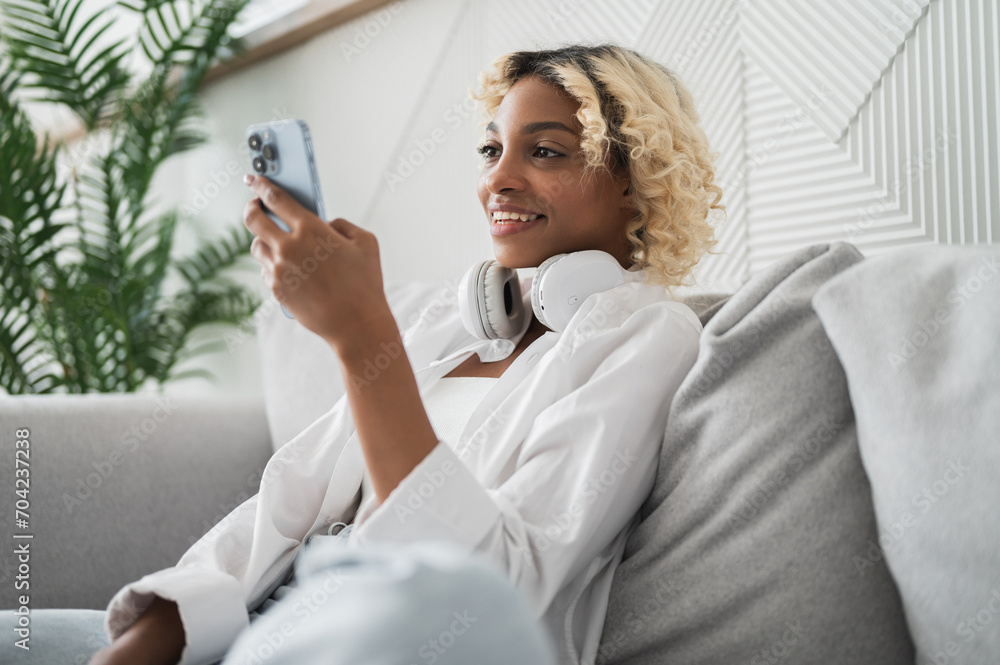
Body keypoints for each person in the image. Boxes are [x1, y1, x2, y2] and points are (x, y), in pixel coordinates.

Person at [0, 43, 722, 665]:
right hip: (262, 626)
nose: (498, 178)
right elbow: (285, 501)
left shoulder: (646, 336)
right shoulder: (451, 325)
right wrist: (148, 639)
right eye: (491, 149)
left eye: (545, 150)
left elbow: (490, 589)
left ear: (635, 180)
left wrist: (361, 335)